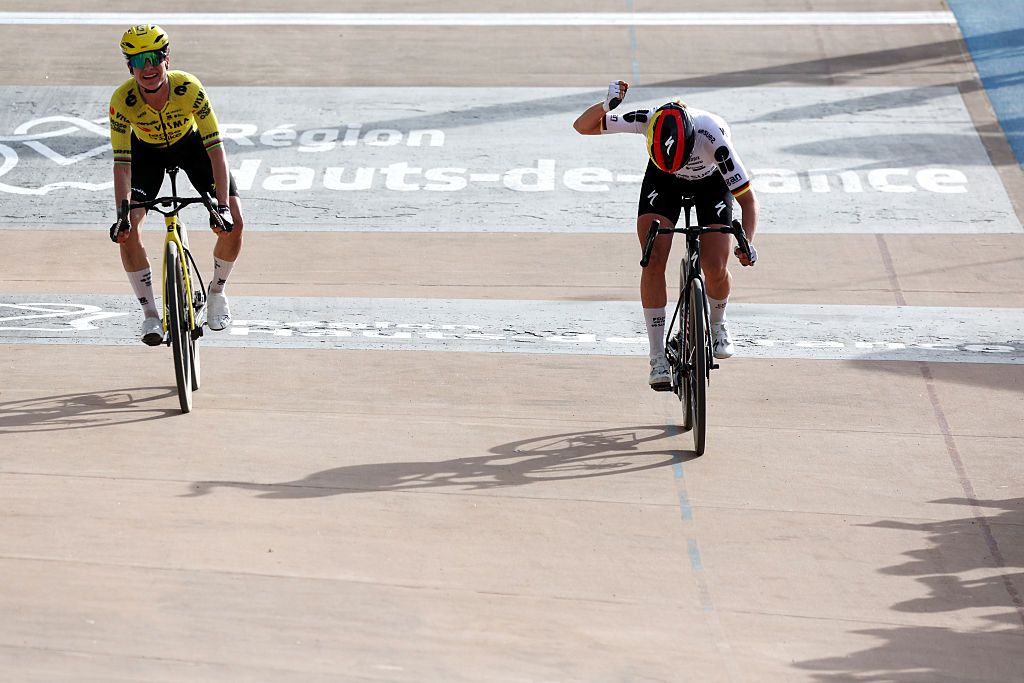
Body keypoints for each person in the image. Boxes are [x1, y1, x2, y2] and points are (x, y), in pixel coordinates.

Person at [573, 81, 759, 391]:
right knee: (653, 259)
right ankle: (657, 355)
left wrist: (747, 242)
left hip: (710, 182)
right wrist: (608, 105)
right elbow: (582, 127)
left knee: (715, 265)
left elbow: (747, 201)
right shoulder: (647, 119)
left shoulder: (714, 137)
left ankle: (717, 323)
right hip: (663, 179)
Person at [108, 24, 244, 345]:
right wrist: (122, 213)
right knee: (128, 233)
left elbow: (215, 149)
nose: (148, 68)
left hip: (192, 147)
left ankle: (217, 293)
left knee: (235, 223)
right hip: (147, 156)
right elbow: (122, 164)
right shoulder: (122, 100)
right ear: (130, 66)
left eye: (154, 57)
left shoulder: (189, 88)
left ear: (167, 58)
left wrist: (221, 207)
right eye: (139, 61)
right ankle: (151, 316)